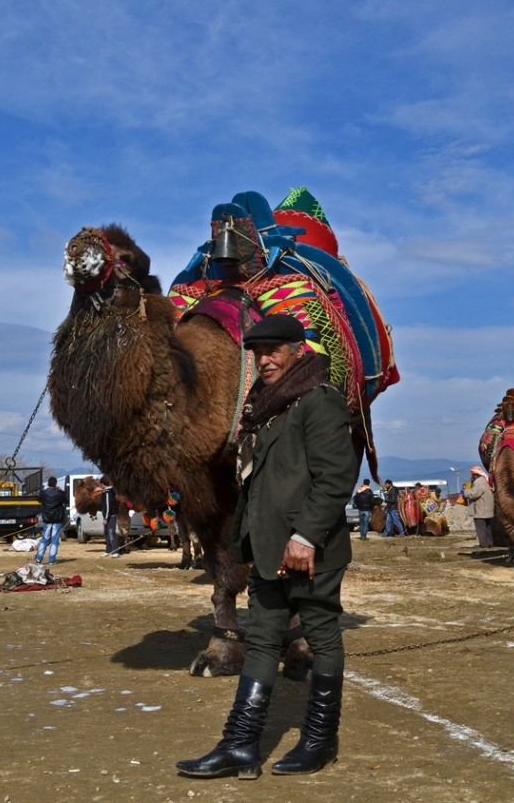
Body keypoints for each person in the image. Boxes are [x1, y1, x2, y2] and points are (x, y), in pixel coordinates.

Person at [176, 313, 357, 780]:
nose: (265, 359)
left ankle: (320, 739)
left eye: (274, 350)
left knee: (319, 634)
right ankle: (239, 745)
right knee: (260, 638)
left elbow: (336, 478)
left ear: (298, 350)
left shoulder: (320, 403)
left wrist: (305, 536)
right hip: (267, 550)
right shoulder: (269, 407)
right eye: (257, 352)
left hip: (309, 551)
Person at [34, 476, 66, 565]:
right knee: (55, 540)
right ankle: (52, 559)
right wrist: (60, 490)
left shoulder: (44, 493)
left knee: (44, 539)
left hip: (47, 518)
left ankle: (39, 558)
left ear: (48, 483)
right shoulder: (59, 493)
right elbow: (65, 499)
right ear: (55, 483)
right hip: (57, 519)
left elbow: (38, 499)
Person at [463, 465, 494, 547]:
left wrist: (465, 491)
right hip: (487, 509)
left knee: (481, 528)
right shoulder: (484, 481)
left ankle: (483, 545)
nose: (471, 476)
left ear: (476, 474)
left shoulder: (479, 482)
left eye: (472, 474)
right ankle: (489, 544)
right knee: (487, 528)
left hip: (481, 509)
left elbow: (474, 494)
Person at [101, 478, 120, 557]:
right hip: (107, 516)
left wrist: (106, 518)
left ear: (102, 484)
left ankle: (115, 551)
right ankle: (108, 550)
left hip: (111, 516)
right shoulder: (105, 492)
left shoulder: (108, 493)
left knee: (111, 532)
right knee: (106, 533)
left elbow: (108, 506)